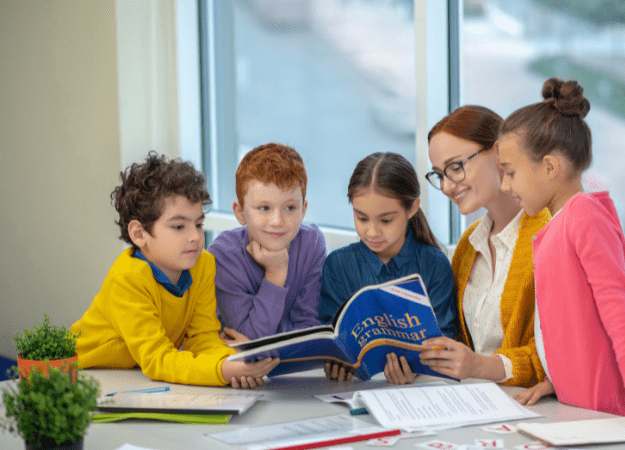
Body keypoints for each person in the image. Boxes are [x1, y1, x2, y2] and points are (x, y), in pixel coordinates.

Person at [496, 77, 625, 430]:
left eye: (510, 173)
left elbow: (618, 308)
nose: (505, 186)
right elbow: (576, 328)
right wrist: (555, 381)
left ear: (550, 168)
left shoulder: (583, 216)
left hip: (613, 413)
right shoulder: (561, 222)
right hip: (581, 410)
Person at [71, 152, 278, 388]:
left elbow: (202, 338)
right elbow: (157, 359)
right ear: (139, 234)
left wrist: (233, 363)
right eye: (179, 226)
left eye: (198, 224)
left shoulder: (203, 265)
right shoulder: (127, 279)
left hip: (131, 376)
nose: (194, 237)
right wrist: (221, 371)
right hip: (83, 376)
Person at [419, 105, 551, 387]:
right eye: (439, 174)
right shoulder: (469, 245)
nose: (445, 186)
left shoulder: (548, 235)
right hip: (476, 403)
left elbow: (557, 355)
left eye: (455, 167)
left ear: (498, 152)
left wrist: (479, 366)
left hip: (536, 408)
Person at [318, 152, 457, 383]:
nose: (372, 232)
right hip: (351, 390)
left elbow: (445, 340)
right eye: (362, 218)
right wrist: (333, 361)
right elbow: (328, 333)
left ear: (412, 209)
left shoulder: (434, 265)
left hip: (422, 390)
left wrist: (416, 368)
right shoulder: (338, 265)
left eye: (386, 221)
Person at [208, 143, 326, 341]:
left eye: (289, 208)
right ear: (240, 212)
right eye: (264, 208)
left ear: (303, 210)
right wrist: (275, 274)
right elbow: (248, 339)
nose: (277, 221)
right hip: (238, 369)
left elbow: (308, 328)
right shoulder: (224, 254)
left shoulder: (311, 244)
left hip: (282, 368)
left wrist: (272, 349)